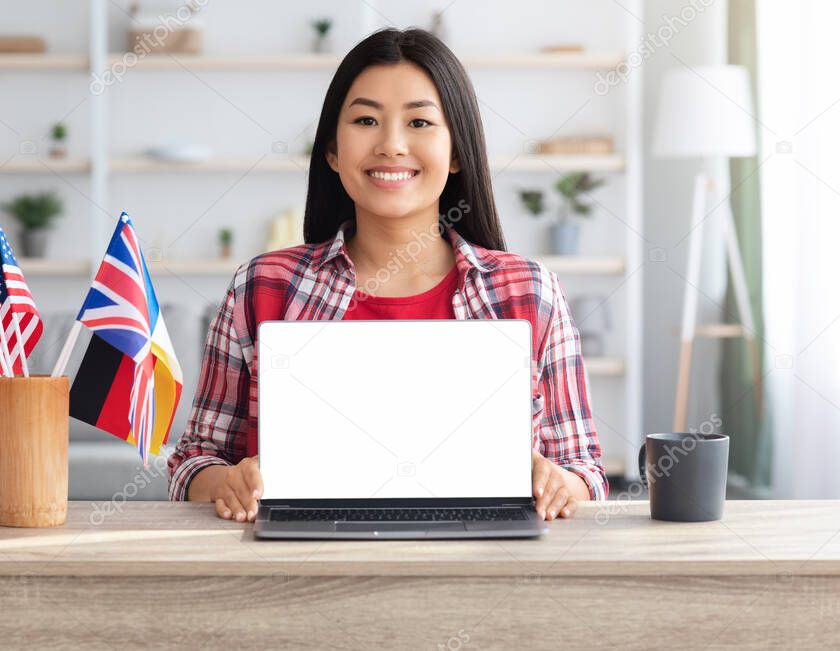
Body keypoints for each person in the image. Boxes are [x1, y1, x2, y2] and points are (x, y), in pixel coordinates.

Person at [167, 27, 607, 522]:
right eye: (366, 120)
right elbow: (191, 463)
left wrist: (556, 482)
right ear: (332, 152)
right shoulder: (262, 286)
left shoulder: (530, 291)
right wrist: (228, 482)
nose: (392, 145)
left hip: (484, 564)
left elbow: (585, 471)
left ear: (457, 152)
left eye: (419, 122)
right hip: (294, 569)